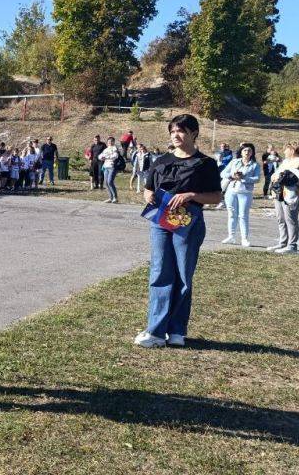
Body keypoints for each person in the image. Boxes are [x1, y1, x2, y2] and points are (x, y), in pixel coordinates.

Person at [134, 114, 223, 348]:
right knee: (160, 273)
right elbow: (148, 188)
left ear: (194, 133)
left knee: (184, 275)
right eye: (173, 131)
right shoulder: (161, 161)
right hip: (161, 223)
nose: (176, 135)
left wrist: (192, 195)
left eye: (181, 131)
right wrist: (148, 194)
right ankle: (155, 331)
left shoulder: (206, 164)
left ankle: (176, 331)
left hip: (189, 224)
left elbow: (216, 197)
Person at [267, 141, 299, 254]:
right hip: (279, 192)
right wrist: (275, 177)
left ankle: (292, 245)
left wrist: (290, 175)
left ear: (292, 150)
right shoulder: (285, 161)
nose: (284, 152)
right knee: (281, 219)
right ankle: (283, 243)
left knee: (290, 219)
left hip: (293, 194)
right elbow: (277, 173)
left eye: (286, 149)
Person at [220, 142, 260, 247]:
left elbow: (257, 178)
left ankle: (244, 238)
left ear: (252, 153)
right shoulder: (234, 162)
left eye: (249, 151)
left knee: (243, 215)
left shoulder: (255, 165)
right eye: (245, 150)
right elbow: (223, 173)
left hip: (245, 192)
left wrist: (244, 178)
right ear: (241, 152)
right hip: (231, 191)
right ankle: (231, 236)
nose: (247, 152)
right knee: (232, 214)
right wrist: (232, 175)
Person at [98, 136, 121, 203]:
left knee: (110, 182)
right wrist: (101, 157)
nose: (110, 143)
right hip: (106, 167)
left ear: (113, 142)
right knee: (106, 183)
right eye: (108, 142)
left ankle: (115, 198)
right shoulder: (106, 149)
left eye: (111, 142)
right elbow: (100, 156)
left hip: (112, 166)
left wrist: (106, 157)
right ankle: (110, 198)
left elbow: (115, 156)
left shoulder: (114, 148)